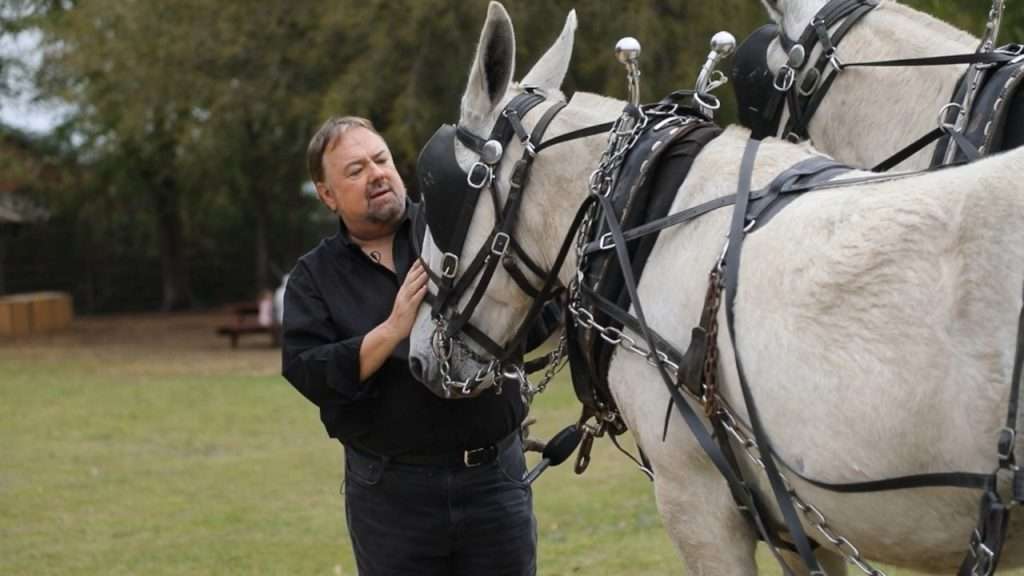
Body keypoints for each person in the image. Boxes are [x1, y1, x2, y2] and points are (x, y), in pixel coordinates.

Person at [281, 116, 537, 576]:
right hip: (390, 495)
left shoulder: (462, 233)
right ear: (327, 195)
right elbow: (309, 370)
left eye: (380, 160)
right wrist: (393, 329)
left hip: (493, 482)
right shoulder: (314, 277)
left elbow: (532, 318)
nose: (376, 173)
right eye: (355, 170)